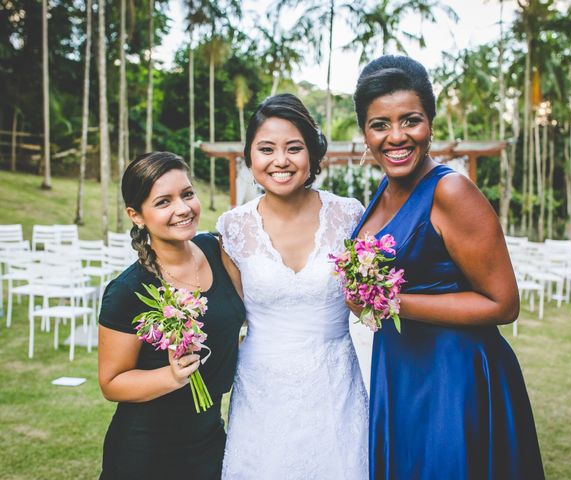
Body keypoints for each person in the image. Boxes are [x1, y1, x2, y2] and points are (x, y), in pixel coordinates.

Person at [350, 56, 545, 479]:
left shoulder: (451, 190)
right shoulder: (385, 188)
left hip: (452, 378)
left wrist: (390, 302)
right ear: (365, 132)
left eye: (411, 120)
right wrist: (360, 297)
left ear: (431, 124)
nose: (396, 136)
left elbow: (503, 303)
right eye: (379, 124)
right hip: (401, 369)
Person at [216, 93, 368, 479]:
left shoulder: (349, 215)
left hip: (335, 387)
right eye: (266, 149)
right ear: (250, 157)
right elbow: (231, 312)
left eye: (294, 148)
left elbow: (367, 300)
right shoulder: (232, 228)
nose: (280, 161)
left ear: (313, 154)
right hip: (261, 391)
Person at [97, 152, 245, 480]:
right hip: (148, 453)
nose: (182, 208)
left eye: (187, 194)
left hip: (210, 441)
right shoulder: (128, 290)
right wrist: (173, 377)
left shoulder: (214, 249)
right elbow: (111, 383)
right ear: (136, 215)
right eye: (164, 201)